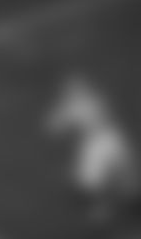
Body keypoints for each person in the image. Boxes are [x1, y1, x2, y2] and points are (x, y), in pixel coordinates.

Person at [47, 75, 139, 221]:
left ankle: (106, 211)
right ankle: (111, 209)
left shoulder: (80, 104)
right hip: (109, 137)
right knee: (115, 178)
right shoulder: (87, 101)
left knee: (96, 181)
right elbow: (55, 126)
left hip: (99, 142)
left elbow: (54, 127)